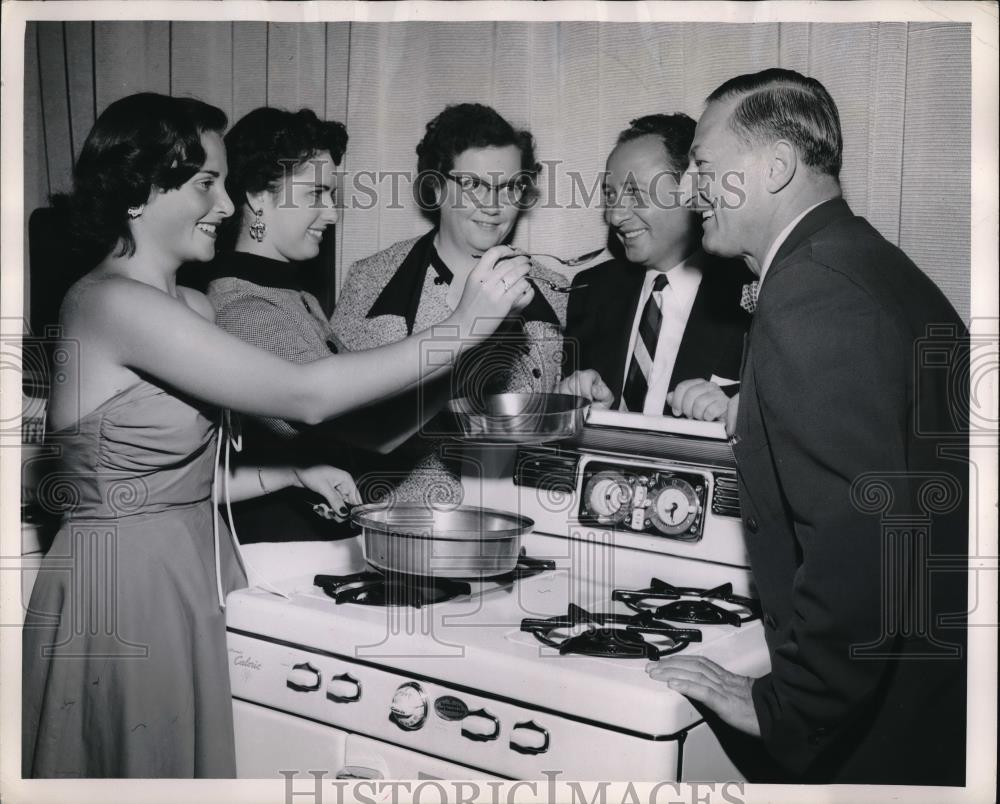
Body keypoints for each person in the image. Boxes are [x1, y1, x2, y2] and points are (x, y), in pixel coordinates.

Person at [22, 92, 534, 778]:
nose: (229, 205)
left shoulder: (191, 305)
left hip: (187, 570)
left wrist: (289, 474)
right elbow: (308, 397)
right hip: (122, 590)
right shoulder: (110, 303)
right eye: (208, 183)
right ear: (141, 191)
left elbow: (176, 478)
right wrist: (466, 326)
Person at [646, 69, 968, 785]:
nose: (690, 191)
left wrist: (791, 705)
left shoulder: (814, 298)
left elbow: (862, 540)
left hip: (879, 728)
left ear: (777, 166)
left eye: (702, 166)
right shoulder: (867, 266)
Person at [330, 103, 567, 504]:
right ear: (437, 188)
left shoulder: (556, 292)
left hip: (520, 529)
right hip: (396, 527)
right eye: (474, 184)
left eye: (510, 186)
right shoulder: (371, 280)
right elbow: (341, 423)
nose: (494, 205)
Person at [204, 107, 361, 543]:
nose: (331, 214)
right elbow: (341, 417)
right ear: (257, 195)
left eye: (332, 196)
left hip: (308, 540)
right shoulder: (242, 308)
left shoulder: (295, 295)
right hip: (275, 548)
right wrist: (458, 340)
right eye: (316, 194)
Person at [559, 114, 755, 421]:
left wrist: (734, 412)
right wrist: (575, 405)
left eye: (636, 193)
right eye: (610, 195)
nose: (615, 216)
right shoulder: (591, 291)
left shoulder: (753, 294)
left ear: (692, 188)